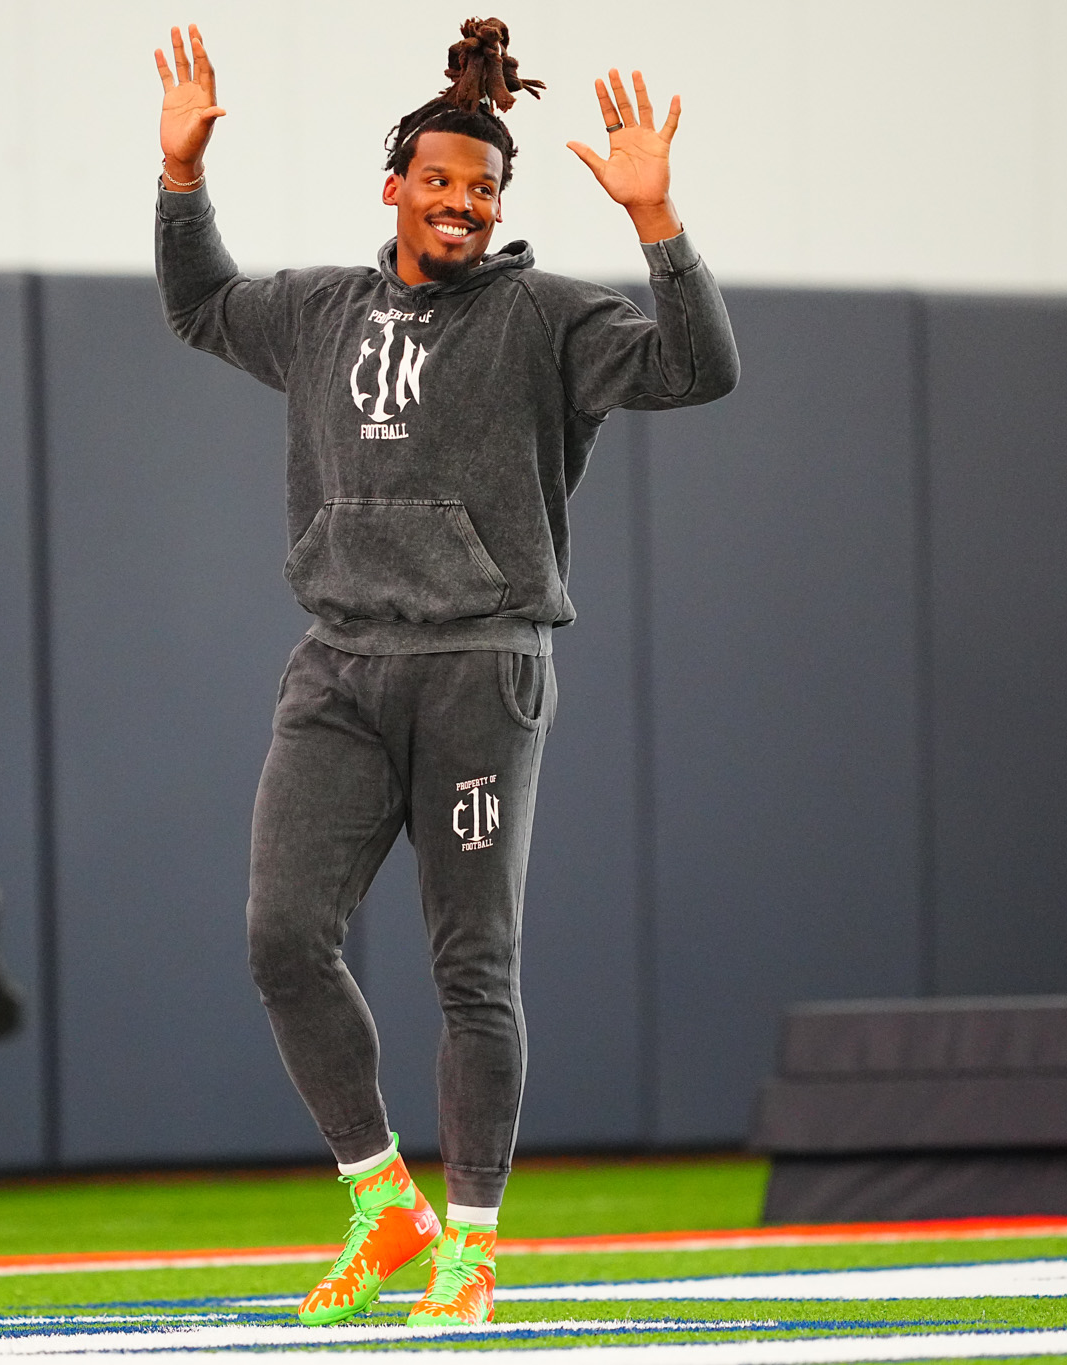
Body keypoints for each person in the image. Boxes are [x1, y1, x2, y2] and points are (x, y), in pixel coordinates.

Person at [153, 17, 738, 1327]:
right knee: (282, 937)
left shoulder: (544, 317)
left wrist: (659, 221)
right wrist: (182, 177)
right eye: (443, 181)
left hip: (481, 663)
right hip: (340, 665)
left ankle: (471, 1238)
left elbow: (701, 368)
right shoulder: (315, 311)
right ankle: (382, 1201)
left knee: (472, 965)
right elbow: (196, 303)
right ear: (396, 187)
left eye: (484, 188)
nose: (464, 203)